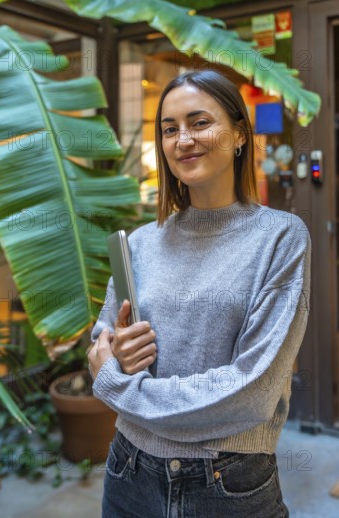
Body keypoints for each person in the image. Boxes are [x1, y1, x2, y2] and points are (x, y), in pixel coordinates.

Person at [88, 69, 311, 518]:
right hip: (128, 470)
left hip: (227, 482)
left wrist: (120, 387)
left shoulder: (279, 238)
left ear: (239, 135)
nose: (183, 139)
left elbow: (251, 391)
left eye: (199, 122)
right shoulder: (138, 244)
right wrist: (111, 352)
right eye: (169, 129)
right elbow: (101, 348)